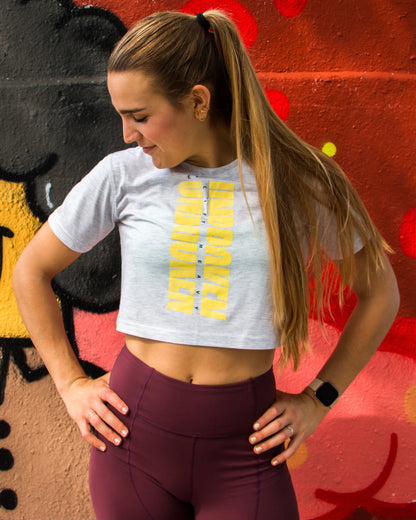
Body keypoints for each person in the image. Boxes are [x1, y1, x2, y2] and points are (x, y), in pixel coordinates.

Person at [13, 10, 399, 520]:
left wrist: (317, 400)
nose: (127, 134)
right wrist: (70, 384)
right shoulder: (122, 175)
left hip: (246, 450)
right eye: (122, 116)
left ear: (198, 101)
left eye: (139, 115)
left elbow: (380, 294)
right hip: (131, 442)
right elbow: (30, 272)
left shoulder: (299, 179)